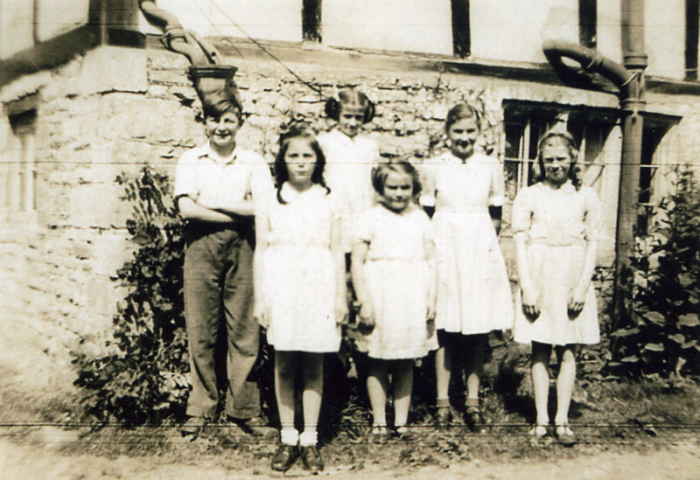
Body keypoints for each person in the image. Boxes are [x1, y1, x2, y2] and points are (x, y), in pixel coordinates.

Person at [174, 97, 275, 438]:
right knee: (201, 329)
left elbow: (264, 206)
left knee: (245, 329)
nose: (221, 127)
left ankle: (244, 409)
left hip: (245, 246)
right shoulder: (191, 159)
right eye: (214, 119)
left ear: (240, 123)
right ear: (204, 122)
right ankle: (200, 407)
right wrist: (235, 211)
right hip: (201, 246)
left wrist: (212, 202)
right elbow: (187, 209)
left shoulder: (253, 161)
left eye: (228, 120)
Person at [254, 126, 348, 472]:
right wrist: (261, 297)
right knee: (284, 362)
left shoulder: (330, 198)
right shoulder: (269, 198)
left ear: (318, 160)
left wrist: (340, 296)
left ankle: (309, 439)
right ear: (282, 159)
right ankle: (287, 438)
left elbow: (338, 251)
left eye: (308, 155)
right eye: (293, 155)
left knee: (313, 363)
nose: (300, 162)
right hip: (282, 287)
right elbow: (261, 250)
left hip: (319, 287)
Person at [421, 103, 513, 430]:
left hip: (478, 247)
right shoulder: (435, 165)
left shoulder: (490, 165)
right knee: (444, 328)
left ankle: (472, 402)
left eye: (470, 131)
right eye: (457, 132)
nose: (464, 138)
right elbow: (427, 212)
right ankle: (442, 402)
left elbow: (497, 214)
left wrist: (484, 251)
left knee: (477, 330)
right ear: (447, 133)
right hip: (445, 245)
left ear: (479, 133)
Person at [512, 130, 601, 446]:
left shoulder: (585, 195)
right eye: (548, 159)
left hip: (571, 276)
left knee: (568, 349)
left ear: (573, 158)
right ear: (540, 161)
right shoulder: (529, 194)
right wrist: (527, 287)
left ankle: (562, 419)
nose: (555, 165)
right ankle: (541, 419)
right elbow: (520, 241)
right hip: (540, 274)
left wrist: (581, 287)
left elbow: (592, 244)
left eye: (561, 158)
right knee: (540, 348)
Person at [351, 160, 438, 438]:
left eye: (405, 188)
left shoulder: (420, 217)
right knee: (377, 358)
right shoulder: (369, 217)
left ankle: (401, 421)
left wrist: (431, 298)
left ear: (413, 189)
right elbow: (357, 261)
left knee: (405, 360)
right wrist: (364, 300)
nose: (399, 194)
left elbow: (431, 260)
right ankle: (379, 420)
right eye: (392, 187)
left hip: (411, 294)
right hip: (381, 294)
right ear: (380, 187)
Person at [318, 89, 380, 253]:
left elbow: (372, 180)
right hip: (335, 202)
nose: (352, 123)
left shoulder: (369, 145)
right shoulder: (325, 142)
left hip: (362, 205)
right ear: (337, 115)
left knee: (359, 248)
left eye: (358, 118)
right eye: (347, 116)